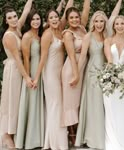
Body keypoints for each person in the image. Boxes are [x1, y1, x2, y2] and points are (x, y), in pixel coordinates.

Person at [36, 0, 73, 149]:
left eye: (56, 17)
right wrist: (36, 78)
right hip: (50, 74)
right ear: (47, 20)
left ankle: (54, 140)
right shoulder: (47, 34)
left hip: (60, 73)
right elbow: (43, 58)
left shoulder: (60, 30)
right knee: (55, 105)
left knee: (58, 105)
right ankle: (56, 143)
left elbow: (67, 12)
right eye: (51, 18)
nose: (54, 20)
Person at [0, 0, 33, 148]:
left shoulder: (17, 28)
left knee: (19, 101)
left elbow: (26, 12)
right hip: (14, 70)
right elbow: (18, 59)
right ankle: (7, 136)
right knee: (12, 102)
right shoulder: (8, 36)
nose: (14, 19)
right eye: (10, 18)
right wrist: (26, 77)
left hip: (19, 70)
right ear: (5, 21)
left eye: (15, 16)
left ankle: (16, 133)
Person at [75, 11, 108, 149]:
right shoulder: (88, 36)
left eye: (101, 21)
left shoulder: (107, 36)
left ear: (105, 23)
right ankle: (92, 138)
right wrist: (76, 73)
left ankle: (103, 136)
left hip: (105, 74)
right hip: (92, 73)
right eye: (96, 21)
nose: (99, 24)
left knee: (103, 105)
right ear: (92, 23)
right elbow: (82, 56)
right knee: (93, 104)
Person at [14, 9, 45, 149]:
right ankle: (30, 139)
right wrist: (28, 78)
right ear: (29, 21)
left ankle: (39, 137)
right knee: (31, 102)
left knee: (39, 103)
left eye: (38, 19)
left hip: (41, 71)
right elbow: (26, 58)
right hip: (32, 71)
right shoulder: (27, 36)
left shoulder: (40, 35)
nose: (36, 22)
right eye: (33, 20)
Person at [61, 0, 90, 145]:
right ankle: (72, 134)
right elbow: (71, 56)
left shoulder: (83, 29)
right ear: (67, 20)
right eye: (71, 18)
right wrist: (76, 74)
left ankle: (79, 131)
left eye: (76, 17)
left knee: (78, 101)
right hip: (72, 69)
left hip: (83, 67)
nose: (74, 20)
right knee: (70, 102)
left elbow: (86, 9)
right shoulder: (67, 33)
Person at [104, 15, 124, 150]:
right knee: (111, 109)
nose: (120, 26)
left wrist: (123, 76)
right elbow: (109, 60)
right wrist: (113, 76)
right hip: (110, 77)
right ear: (114, 26)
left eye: (122, 23)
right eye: (117, 24)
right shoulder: (108, 40)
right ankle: (112, 140)